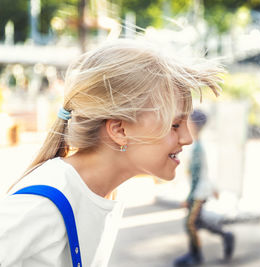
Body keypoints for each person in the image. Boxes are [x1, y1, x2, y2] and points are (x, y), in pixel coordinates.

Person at [0, 39, 222, 266]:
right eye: (174, 125)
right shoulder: (40, 206)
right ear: (119, 130)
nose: (187, 138)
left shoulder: (103, 193)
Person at [174, 109, 234, 267]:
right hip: (200, 189)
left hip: (199, 192)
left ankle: (196, 256)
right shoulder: (196, 145)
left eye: (188, 121)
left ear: (194, 124)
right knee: (197, 222)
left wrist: (189, 198)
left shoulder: (197, 147)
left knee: (191, 224)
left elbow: (196, 177)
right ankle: (226, 235)